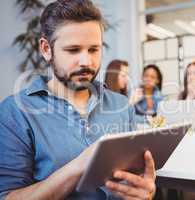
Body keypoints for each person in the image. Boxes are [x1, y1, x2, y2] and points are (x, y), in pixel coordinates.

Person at [0, 1, 156, 199]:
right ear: (46, 49)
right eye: (73, 50)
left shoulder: (121, 106)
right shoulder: (15, 112)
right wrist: (81, 165)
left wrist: (145, 191)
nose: (86, 62)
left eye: (94, 50)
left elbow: (135, 181)